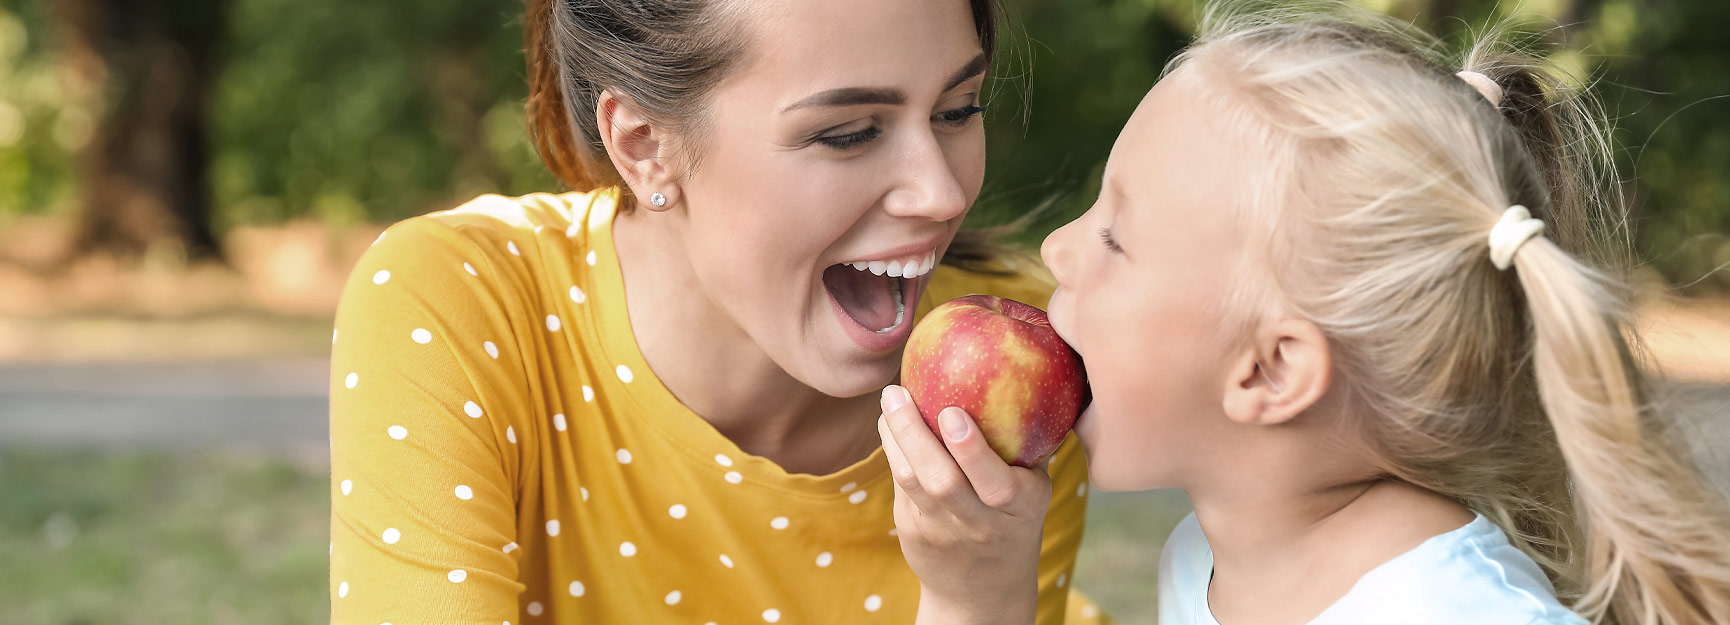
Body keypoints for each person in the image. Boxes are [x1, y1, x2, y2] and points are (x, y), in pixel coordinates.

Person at [878, 2, 1730, 624]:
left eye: (1116, 237)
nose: (1059, 247)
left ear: (1271, 370)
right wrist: (972, 594)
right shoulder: (1209, 561)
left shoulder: (1455, 612)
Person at [326, 0, 1112, 623]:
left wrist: (976, 601)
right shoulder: (463, 302)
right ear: (643, 146)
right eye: (848, 133)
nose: (941, 192)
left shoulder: (1034, 355)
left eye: (957, 109)